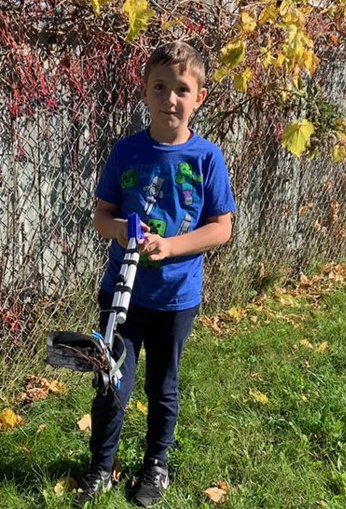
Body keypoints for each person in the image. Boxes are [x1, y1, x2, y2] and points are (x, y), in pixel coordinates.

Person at [77, 41, 236, 507]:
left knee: (162, 384)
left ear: (198, 98)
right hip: (122, 294)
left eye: (181, 89)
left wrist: (170, 247)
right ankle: (101, 468)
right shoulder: (126, 152)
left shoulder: (207, 158)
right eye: (160, 87)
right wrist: (125, 236)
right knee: (111, 382)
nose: (170, 98)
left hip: (175, 298)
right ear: (144, 92)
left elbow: (221, 228)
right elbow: (102, 216)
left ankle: (155, 465)